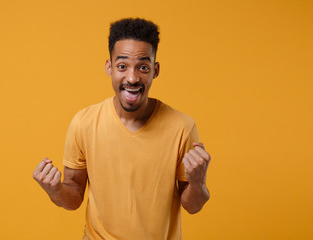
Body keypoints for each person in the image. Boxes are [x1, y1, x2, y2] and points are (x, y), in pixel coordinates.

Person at [33, 18, 211, 240]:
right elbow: (73, 197)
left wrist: (197, 182)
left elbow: (193, 206)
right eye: (122, 66)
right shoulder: (84, 123)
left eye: (143, 67)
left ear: (155, 70)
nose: (132, 77)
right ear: (109, 67)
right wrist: (55, 190)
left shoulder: (182, 127)